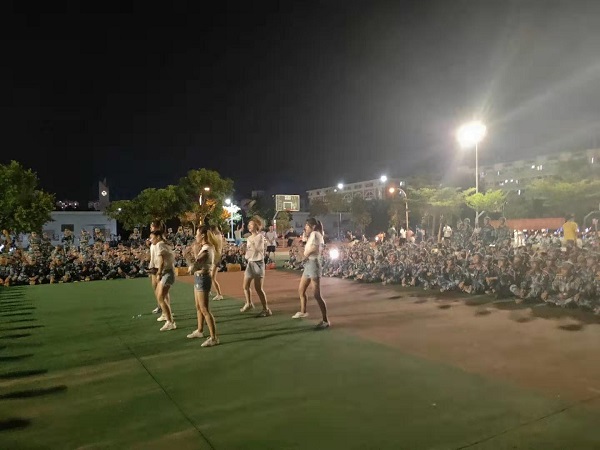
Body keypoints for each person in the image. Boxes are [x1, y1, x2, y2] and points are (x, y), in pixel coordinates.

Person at [293, 217, 330, 329]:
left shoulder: (315, 234)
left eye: (306, 226)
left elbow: (315, 249)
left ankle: (325, 320)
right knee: (301, 290)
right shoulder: (313, 235)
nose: (305, 228)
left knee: (317, 295)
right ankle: (303, 311)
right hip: (309, 264)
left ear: (312, 226)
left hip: (313, 265)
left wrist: (304, 255)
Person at [186, 226, 219, 347]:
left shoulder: (206, 249)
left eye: (197, 234)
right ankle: (200, 331)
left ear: (203, 235)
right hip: (198, 277)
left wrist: (192, 253)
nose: (196, 236)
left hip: (203, 278)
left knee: (205, 309)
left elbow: (195, 265)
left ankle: (214, 338)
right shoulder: (205, 248)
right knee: (198, 307)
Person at [240, 216, 272, 317]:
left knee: (258, 288)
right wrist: (245, 251)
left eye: (251, 224)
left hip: (258, 263)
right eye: (249, 224)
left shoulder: (260, 237)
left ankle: (266, 309)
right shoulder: (249, 238)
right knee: (245, 286)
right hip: (250, 263)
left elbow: (259, 250)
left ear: (256, 226)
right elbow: (250, 251)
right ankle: (249, 303)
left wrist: (251, 244)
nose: (249, 226)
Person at [150, 230, 176, 331]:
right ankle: (169, 319)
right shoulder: (162, 244)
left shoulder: (159, 245)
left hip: (167, 273)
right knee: (160, 296)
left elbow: (161, 260)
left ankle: (170, 321)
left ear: (158, 237)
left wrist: (159, 273)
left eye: (152, 238)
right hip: (167, 272)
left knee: (160, 296)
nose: (150, 240)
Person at [209, 225, 224, 301]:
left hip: (216, 258)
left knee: (212, 277)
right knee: (210, 275)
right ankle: (209, 290)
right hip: (215, 257)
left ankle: (219, 294)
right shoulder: (218, 236)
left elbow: (212, 243)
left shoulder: (217, 236)